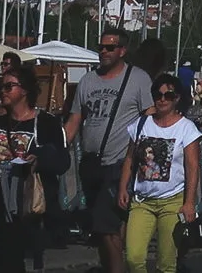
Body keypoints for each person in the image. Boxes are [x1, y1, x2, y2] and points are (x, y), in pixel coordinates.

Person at [64, 28, 153, 273]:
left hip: (120, 163)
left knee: (105, 226)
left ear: (122, 51)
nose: (103, 51)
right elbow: (74, 119)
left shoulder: (138, 79)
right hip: (91, 163)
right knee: (102, 227)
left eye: (110, 47)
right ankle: (114, 266)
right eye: (101, 47)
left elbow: (150, 117)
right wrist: (60, 147)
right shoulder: (87, 81)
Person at [0, 64, 58, 273]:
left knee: (24, 255)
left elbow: (61, 160)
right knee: (5, 255)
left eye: (9, 87)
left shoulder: (46, 123)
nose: (3, 91)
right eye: (1, 87)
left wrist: (39, 158)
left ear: (24, 90)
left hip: (28, 201)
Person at [117, 78, 202, 273]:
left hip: (172, 202)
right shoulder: (141, 124)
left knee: (166, 263)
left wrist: (189, 202)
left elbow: (192, 167)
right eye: (158, 95)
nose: (162, 100)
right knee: (133, 257)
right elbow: (129, 159)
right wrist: (123, 187)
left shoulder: (186, 128)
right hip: (142, 201)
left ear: (177, 98)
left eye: (168, 95)